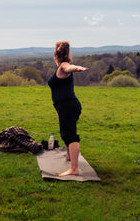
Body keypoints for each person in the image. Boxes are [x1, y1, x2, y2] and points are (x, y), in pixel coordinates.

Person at [48, 41, 88, 177]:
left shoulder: (63, 66)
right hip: (68, 105)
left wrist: (77, 68)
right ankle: (71, 157)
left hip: (68, 106)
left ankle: (74, 169)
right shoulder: (60, 66)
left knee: (70, 136)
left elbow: (68, 68)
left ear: (56, 56)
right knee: (66, 133)